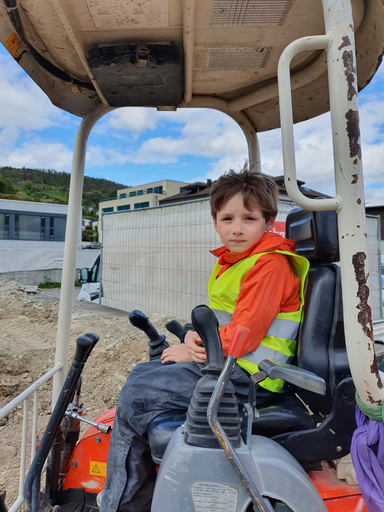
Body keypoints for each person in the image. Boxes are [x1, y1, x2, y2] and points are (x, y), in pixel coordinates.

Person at [99, 167, 309, 512]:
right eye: (227, 218)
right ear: (215, 222)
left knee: (137, 392)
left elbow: (244, 335)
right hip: (231, 365)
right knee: (145, 375)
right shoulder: (236, 261)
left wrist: (189, 350)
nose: (237, 227)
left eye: (249, 218)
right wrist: (197, 337)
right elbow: (229, 318)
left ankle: (120, 504)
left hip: (248, 378)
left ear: (268, 222)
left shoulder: (269, 264)